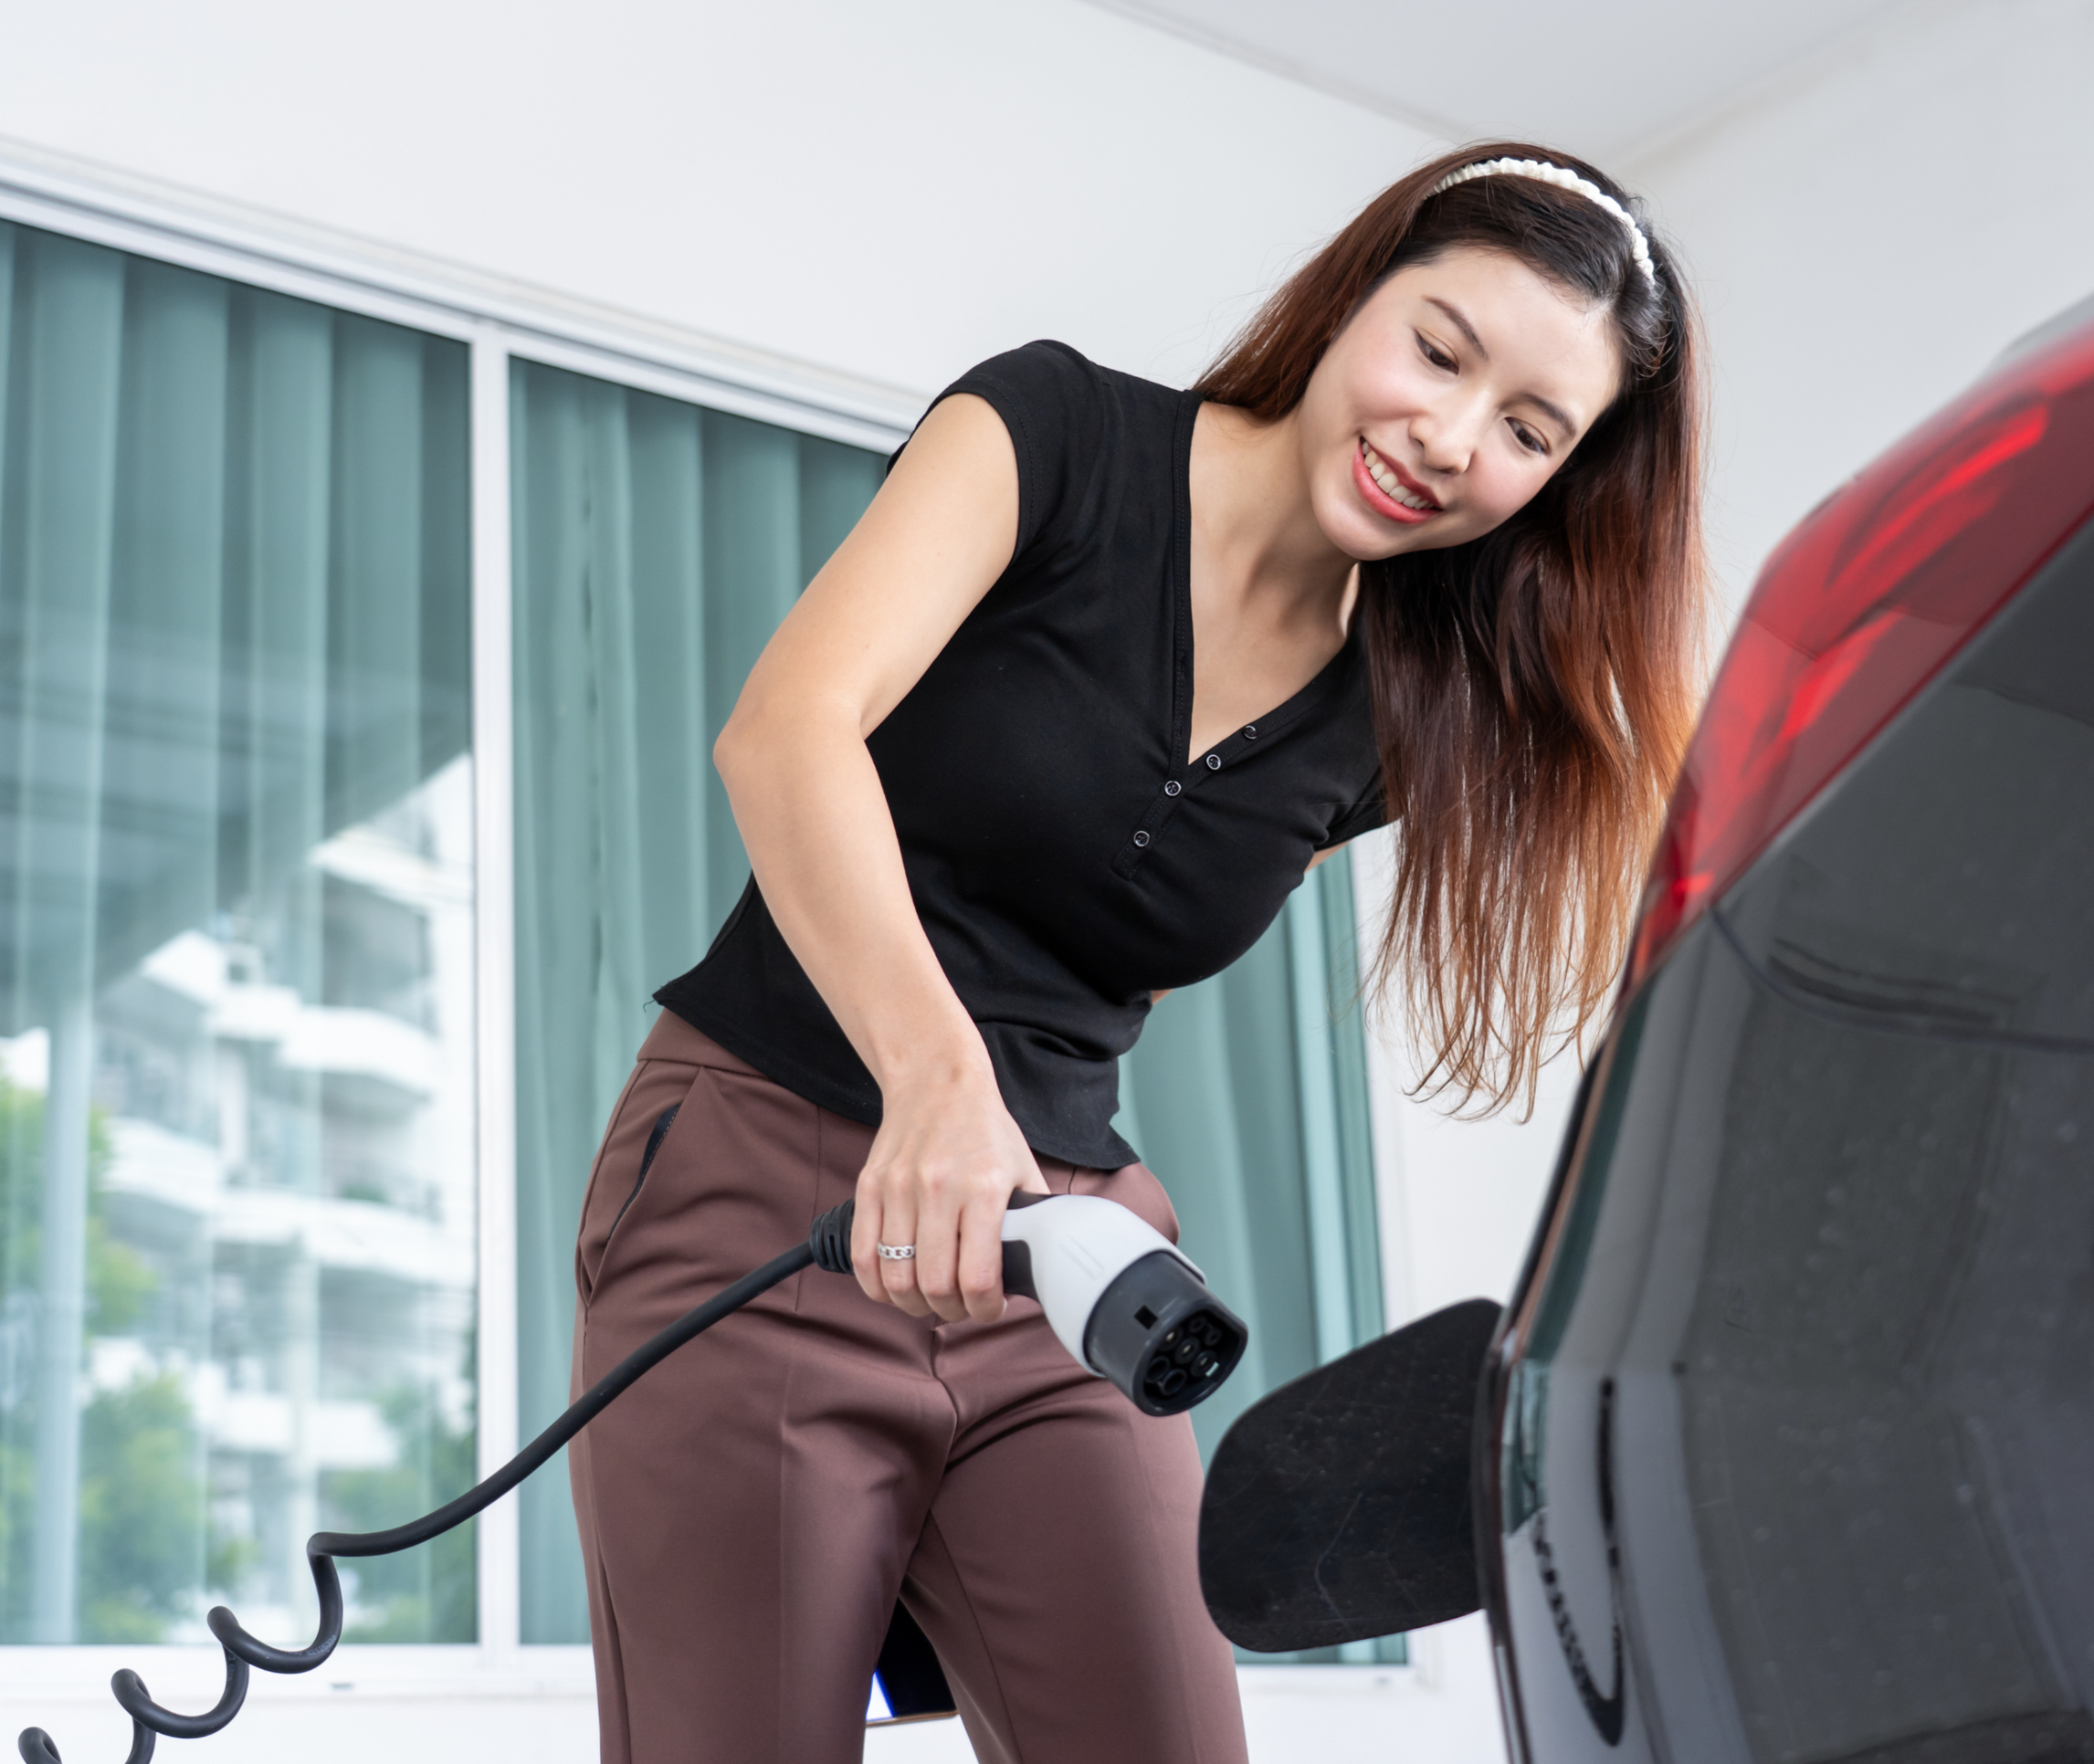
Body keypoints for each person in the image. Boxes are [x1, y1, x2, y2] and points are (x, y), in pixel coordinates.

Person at [564, 142, 1705, 1764]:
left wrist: (1047, 1166)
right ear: (1355, 293)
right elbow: (786, 731)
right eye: (1440, 351)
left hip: (1060, 1258)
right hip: (767, 1183)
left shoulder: (1388, 722)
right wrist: (937, 1082)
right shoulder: (1053, 434)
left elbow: (1122, 957)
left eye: (1529, 431)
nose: (1448, 439)